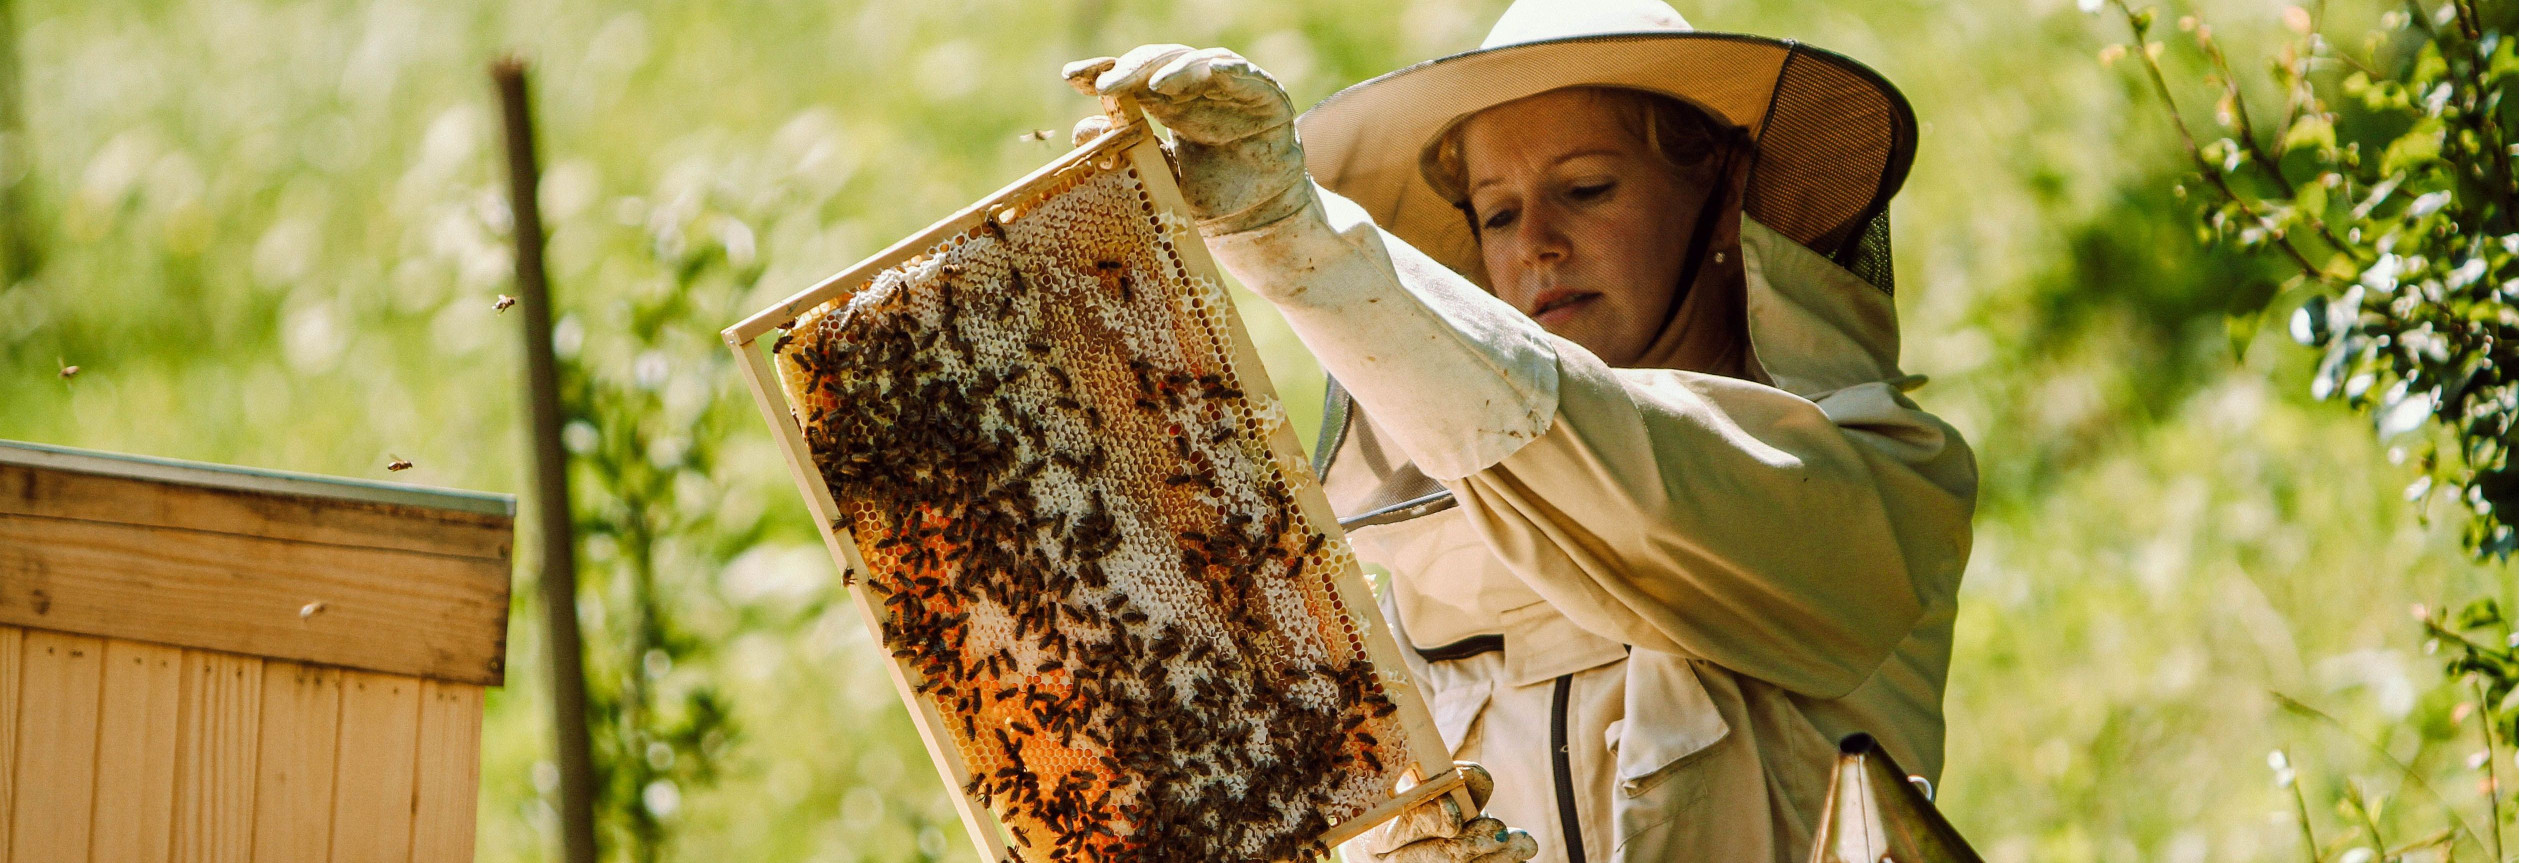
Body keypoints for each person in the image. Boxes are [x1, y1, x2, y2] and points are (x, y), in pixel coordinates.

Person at [1062, 0, 1977, 860]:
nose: (1534, 241)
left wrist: (1289, 237)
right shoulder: (1420, 593)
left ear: (1724, 192)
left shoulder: (1868, 485)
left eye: (1584, 187)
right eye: (1498, 212)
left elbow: (1626, 469)